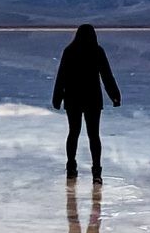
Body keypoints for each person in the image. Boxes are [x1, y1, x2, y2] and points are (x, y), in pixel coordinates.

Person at [50, 23, 121, 178]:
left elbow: (61, 77)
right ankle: (96, 171)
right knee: (93, 135)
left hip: (73, 98)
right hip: (92, 99)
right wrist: (115, 95)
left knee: (73, 132)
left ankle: (71, 167)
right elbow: (107, 76)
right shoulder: (97, 51)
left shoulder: (70, 51)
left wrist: (57, 98)